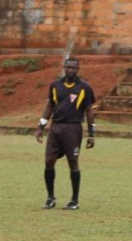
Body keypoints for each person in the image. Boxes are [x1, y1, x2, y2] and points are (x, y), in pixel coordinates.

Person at [35, 58, 96, 210]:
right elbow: (50, 105)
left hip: (73, 129)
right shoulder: (55, 85)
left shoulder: (85, 88)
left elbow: (89, 110)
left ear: (78, 69)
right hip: (56, 128)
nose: (71, 70)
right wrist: (41, 126)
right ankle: (50, 198)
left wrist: (91, 133)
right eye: (68, 67)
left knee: (73, 162)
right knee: (49, 161)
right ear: (64, 68)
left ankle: (74, 200)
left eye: (74, 68)